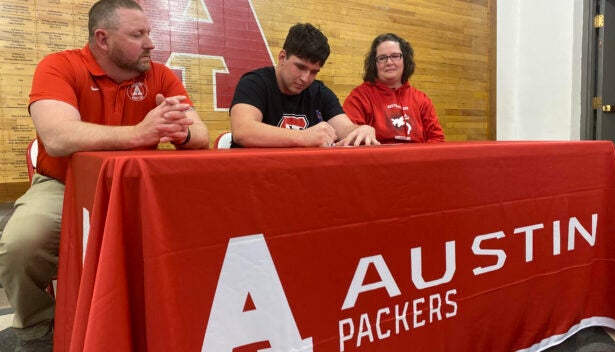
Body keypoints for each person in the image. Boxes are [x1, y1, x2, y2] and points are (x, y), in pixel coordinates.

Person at [0, 0, 209, 350]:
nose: (150, 43)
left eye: (150, 32)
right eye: (137, 34)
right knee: (22, 245)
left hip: (140, 190)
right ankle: (38, 331)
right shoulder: (59, 66)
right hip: (65, 185)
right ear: (103, 38)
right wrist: (140, 134)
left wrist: (179, 131)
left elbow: (200, 136)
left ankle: (177, 321)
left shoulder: (160, 75)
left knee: (204, 233)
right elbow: (58, 136)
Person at [229, 23, 379, 148]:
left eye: (314, 72)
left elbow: (345, 129)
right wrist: (303, 137)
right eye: (300, 67)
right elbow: (243, 131)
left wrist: (362, 130)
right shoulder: (254, 82)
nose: (306, 78)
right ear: (282, 57)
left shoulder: (320, 92)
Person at [343, 33, 445, 144]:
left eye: (395, 56)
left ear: (405, 60)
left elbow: (437, 139)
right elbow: (350, 138)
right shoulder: (359, 96)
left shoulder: (421, 99)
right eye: (382, 58)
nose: (389, 62)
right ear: (374, 64)